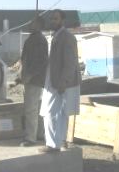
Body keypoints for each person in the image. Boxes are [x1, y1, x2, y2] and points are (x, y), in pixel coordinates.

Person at [39, 9, 80, 153]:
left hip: (60, 83)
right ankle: (60, 142)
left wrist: (64, 82)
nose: (53, 21)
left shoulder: (67, 37)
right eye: (52, 19)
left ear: (63, 20)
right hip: (53, 81)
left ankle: (52, 144)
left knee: (51, 112)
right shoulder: (56, 36)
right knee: (57, 112)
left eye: (56, 19)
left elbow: (70, 63)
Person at [16, 15, 48, 147]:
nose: (30, 24)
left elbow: (41, 61)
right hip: (33, 79)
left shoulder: (39, 40)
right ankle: (40, 134)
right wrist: (20, 75)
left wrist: (29, 75)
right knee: (38, 108)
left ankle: (30, 138)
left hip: (34, 80)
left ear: (39, 25)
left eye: (33, 22)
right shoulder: (33, 39)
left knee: (31, 109)